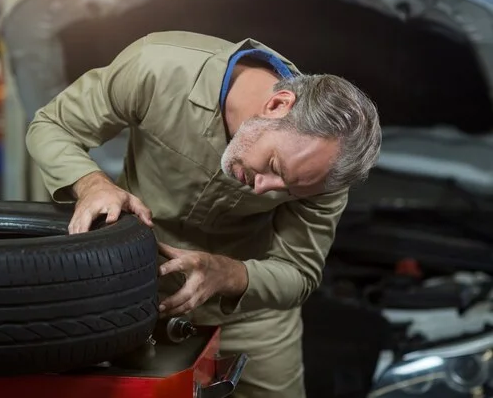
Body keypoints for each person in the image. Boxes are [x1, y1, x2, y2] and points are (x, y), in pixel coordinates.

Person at [25, 30, 381, 398]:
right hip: (132, 293)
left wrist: (228, 273)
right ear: (277, 105)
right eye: (273, 164)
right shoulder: (159, 68)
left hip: (247, 318)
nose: (264, 189)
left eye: (288, 190)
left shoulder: (324, 174)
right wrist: (92, 184)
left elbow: (299, 273)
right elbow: (52, 125)